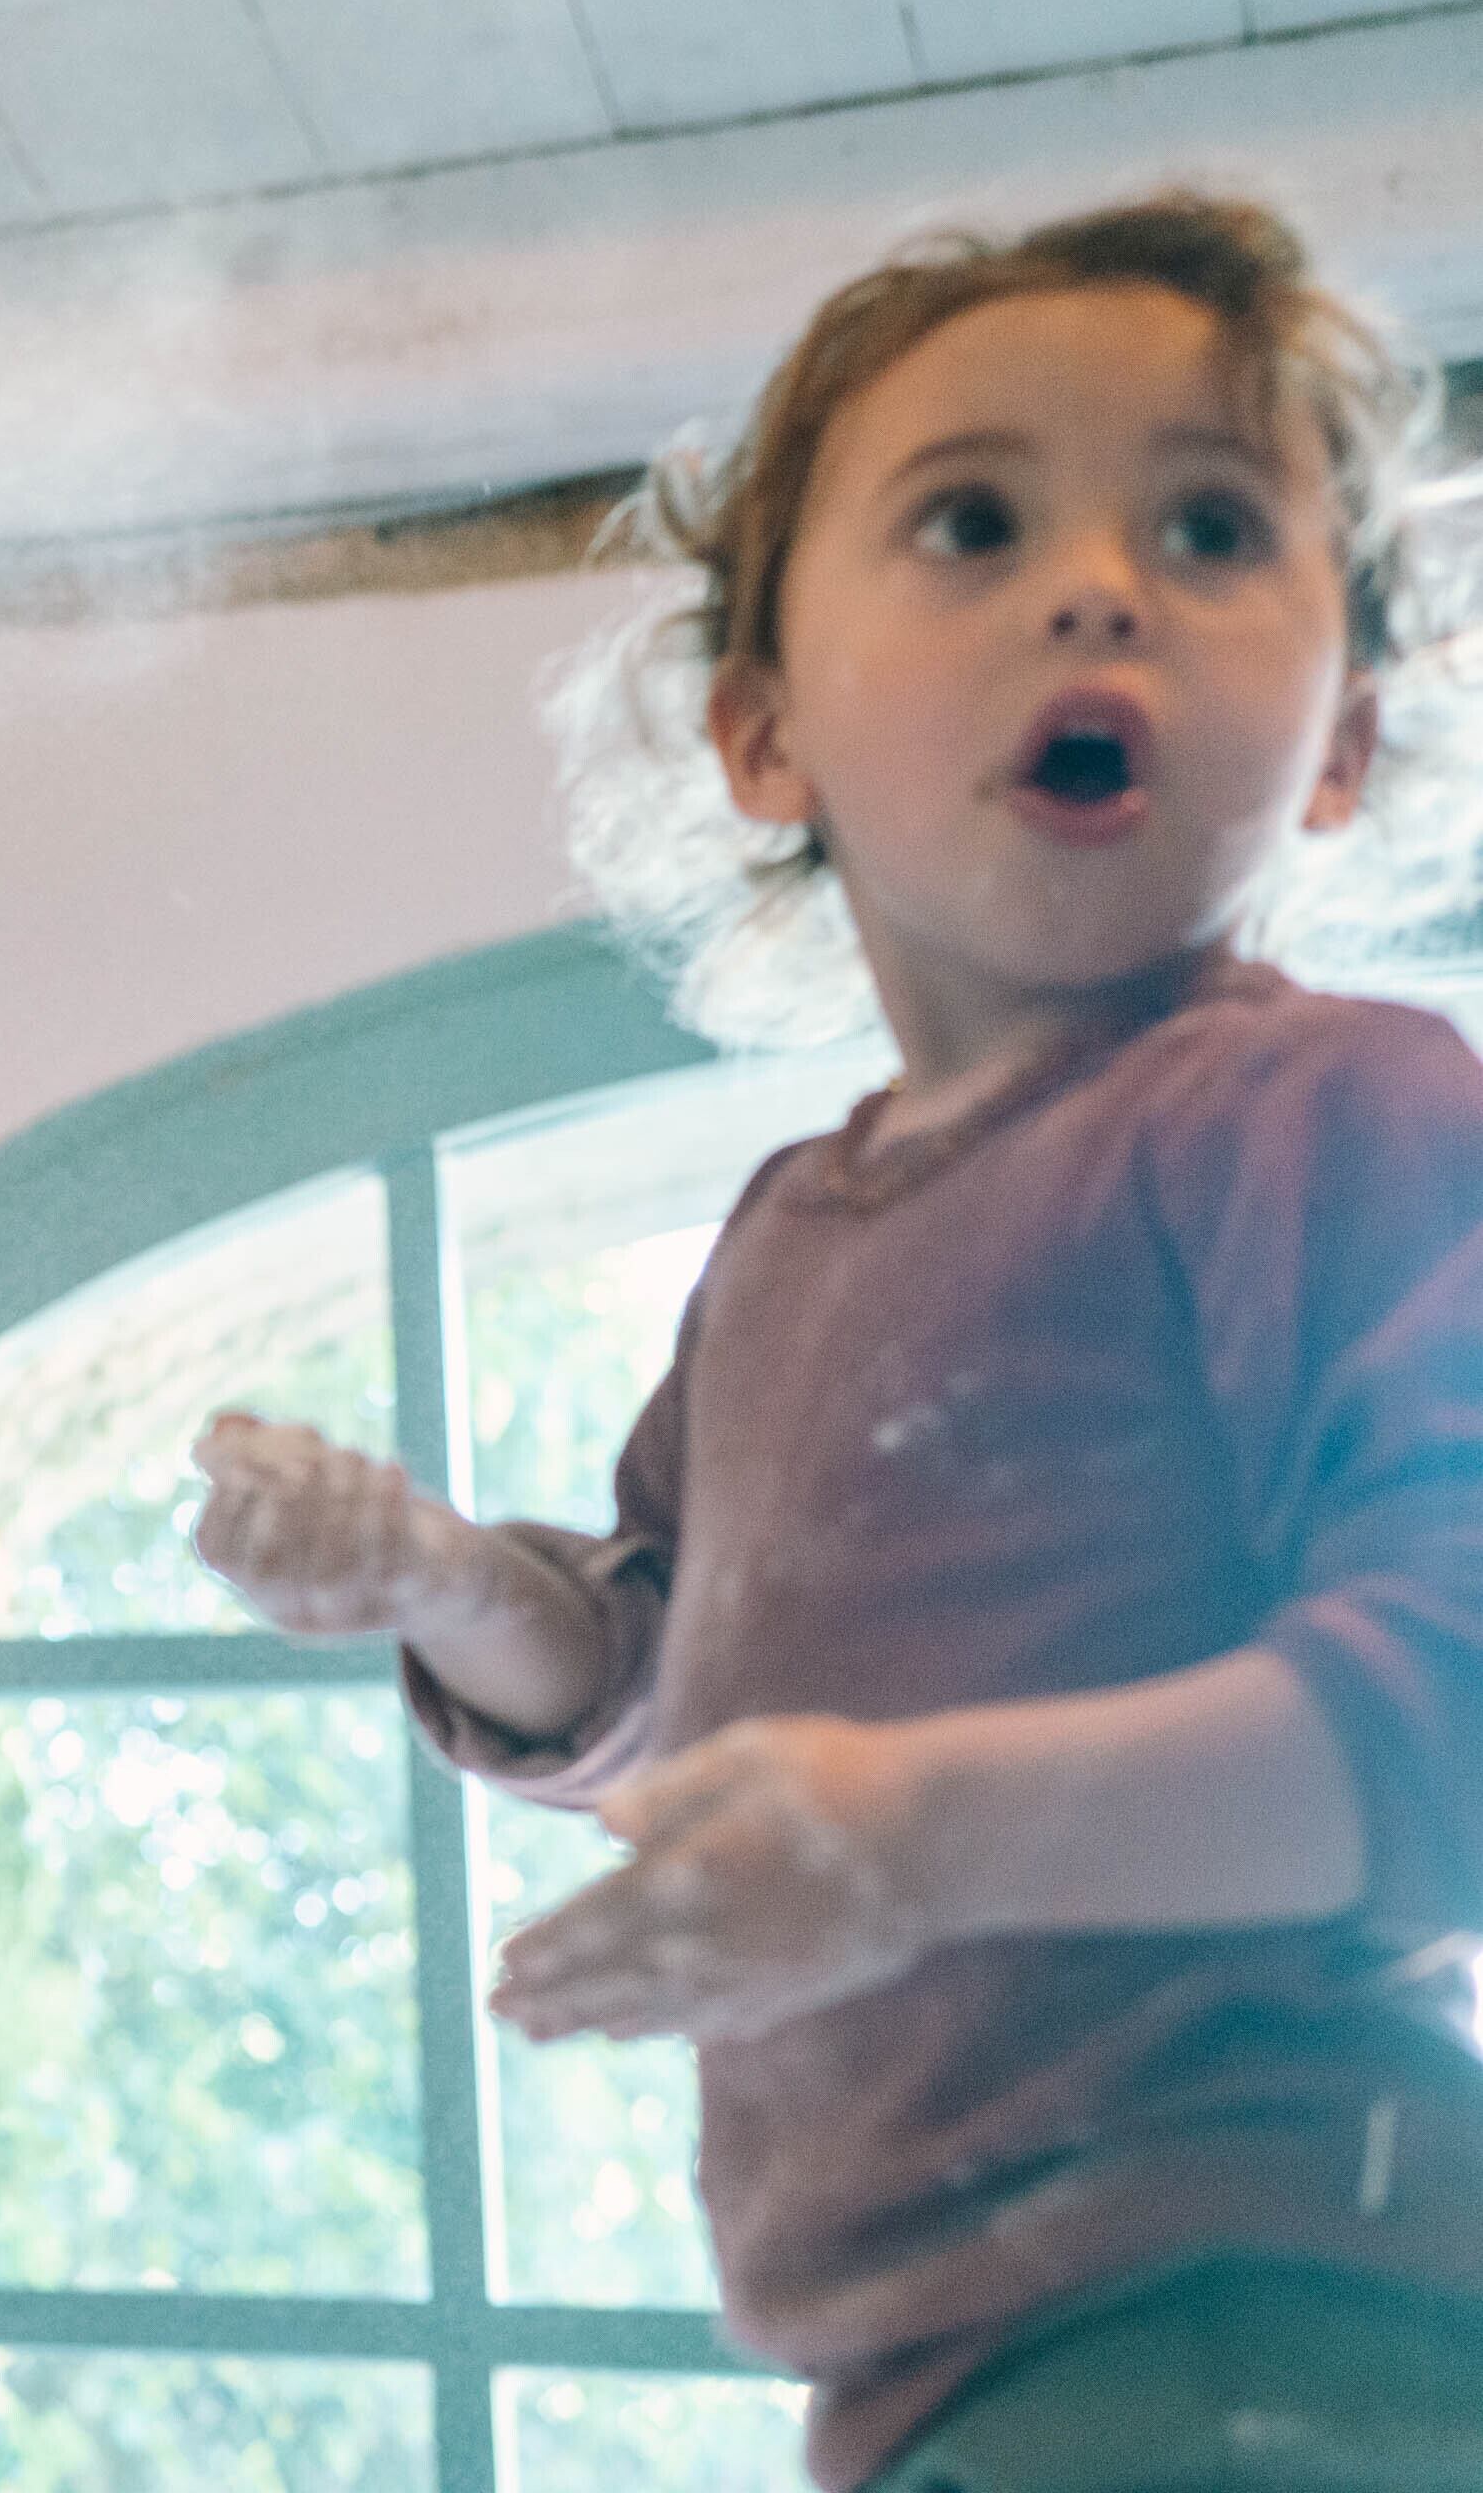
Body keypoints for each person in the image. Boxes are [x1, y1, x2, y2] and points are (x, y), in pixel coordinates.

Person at [189, 195, 1483, 2488]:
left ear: (1341, 739)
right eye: (971, 522)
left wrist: (908, 1842)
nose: (1098, 587)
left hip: (1263, 2319)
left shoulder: (1324, 1113)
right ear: (759, 728)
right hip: (917, 2375)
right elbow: (663, 1677)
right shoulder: (792, 1234)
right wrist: (439, 1581)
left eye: (1206, 527)